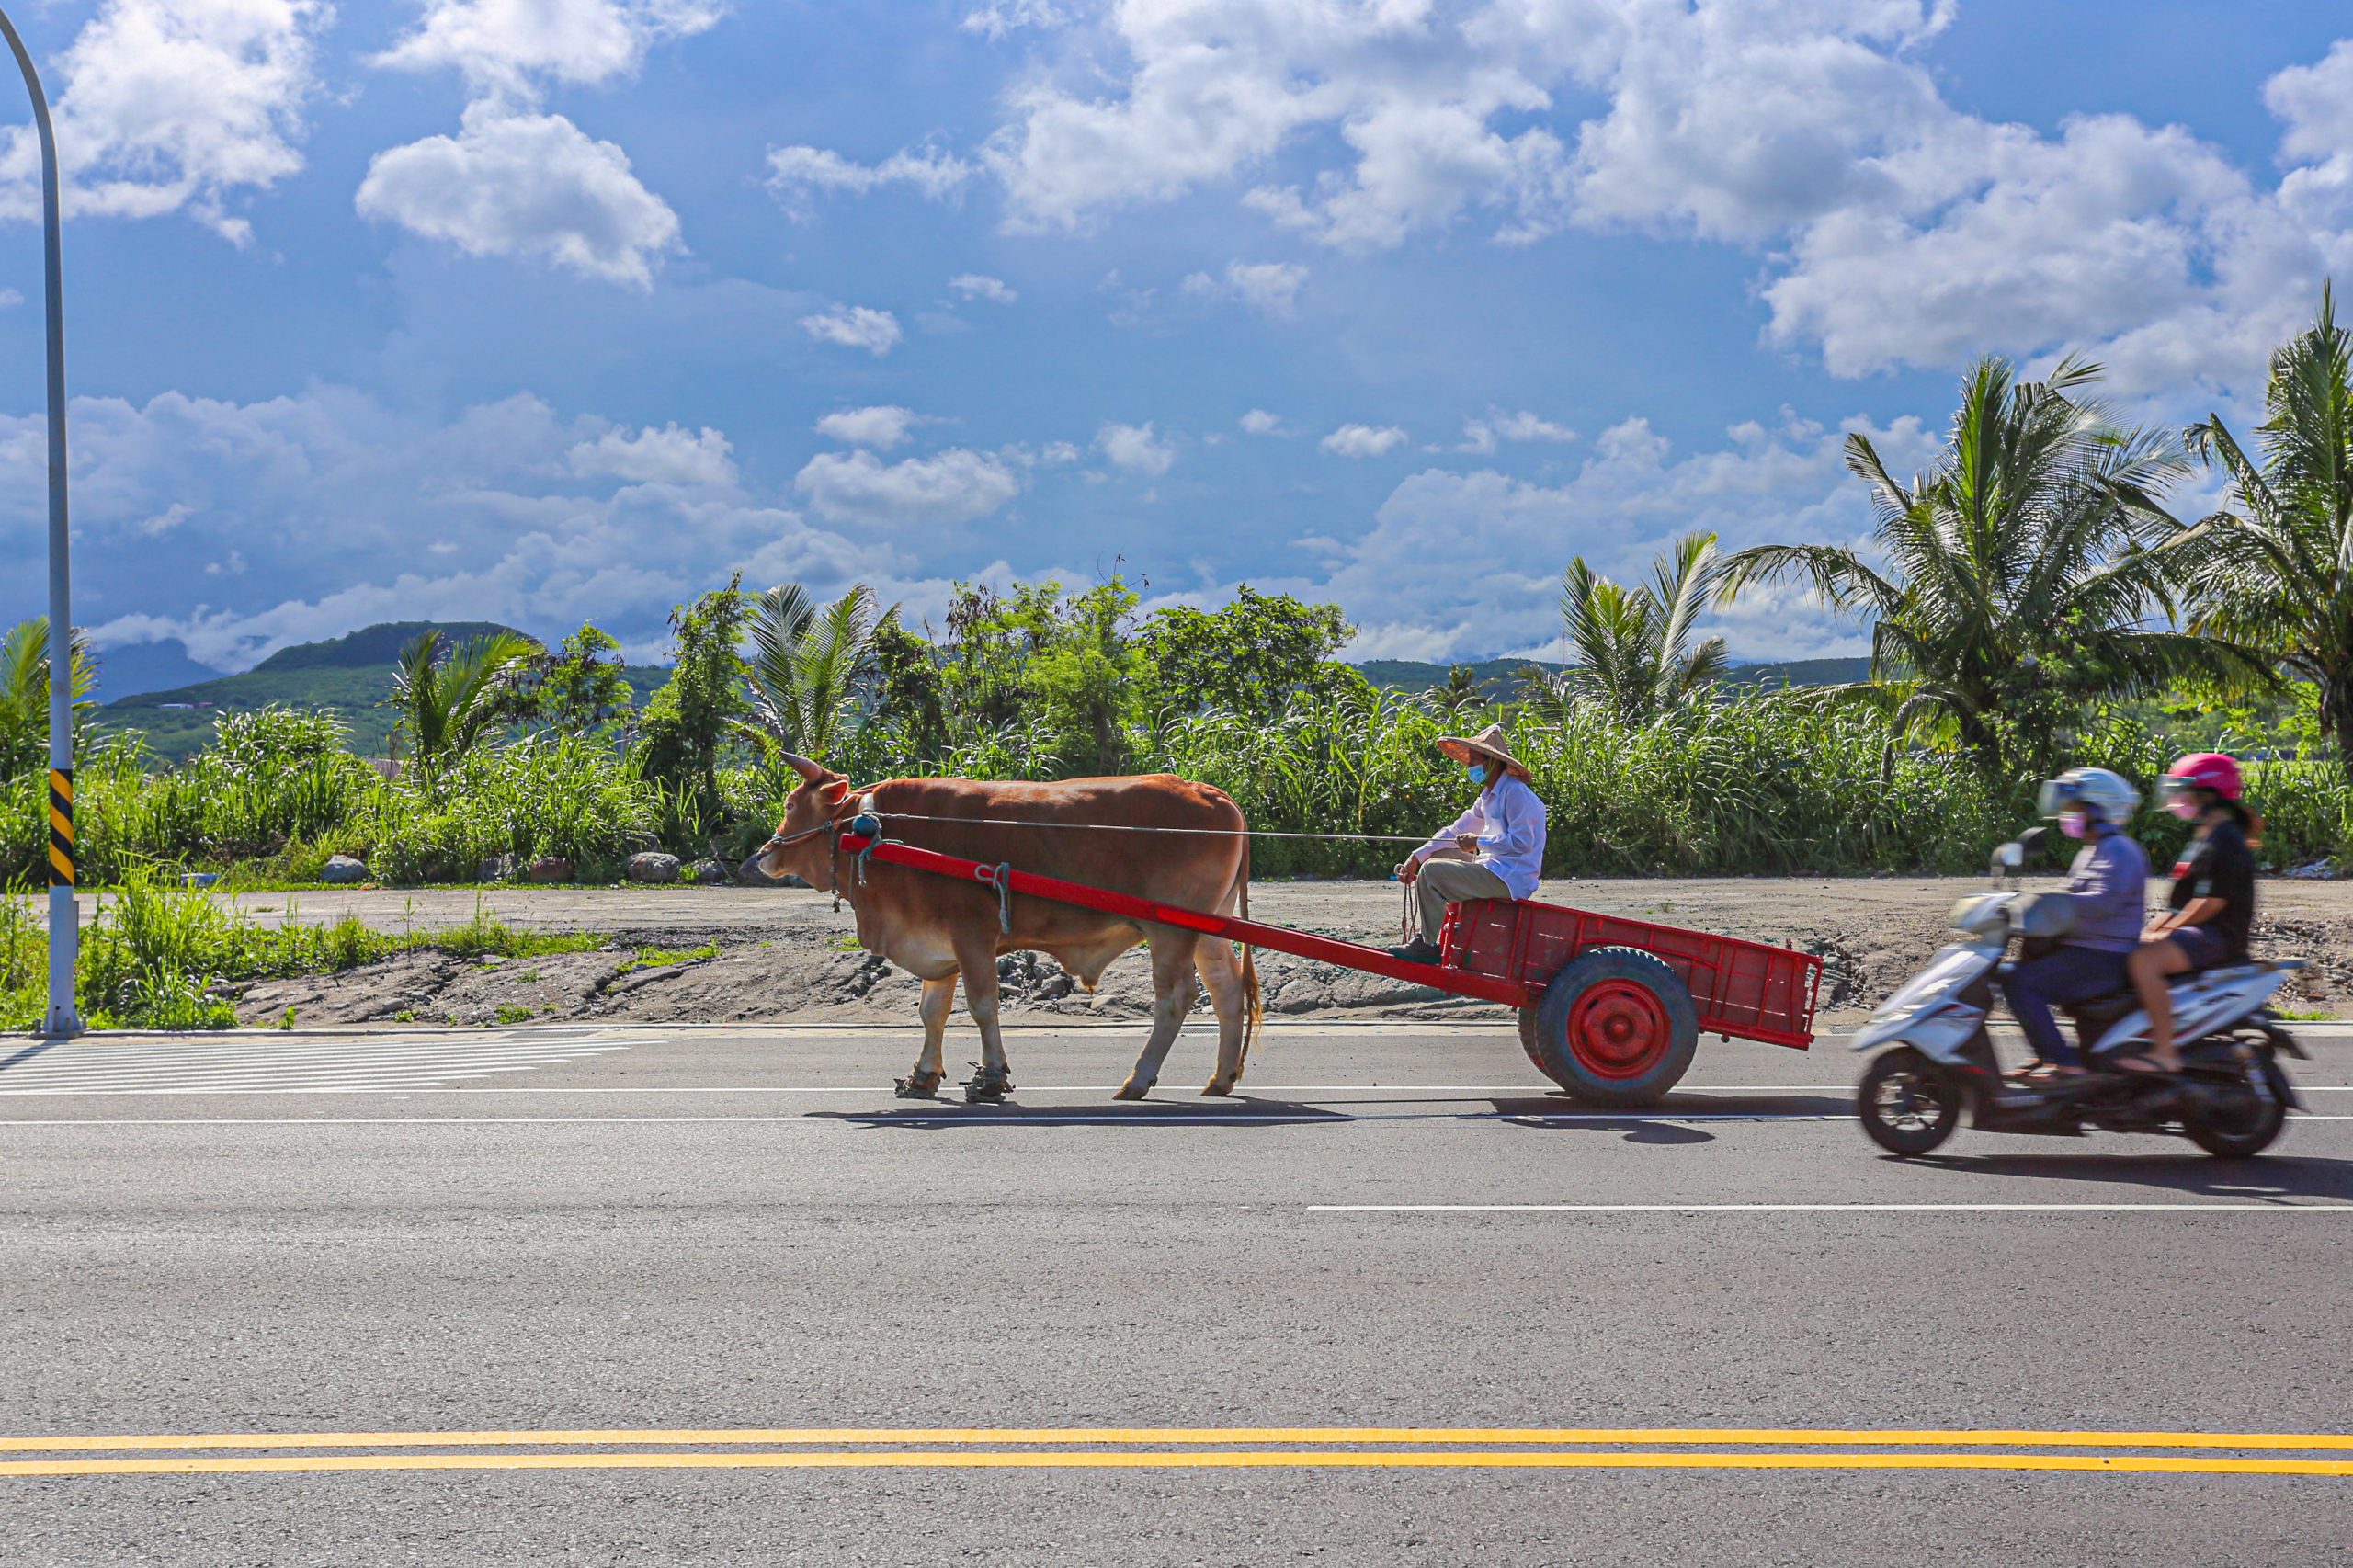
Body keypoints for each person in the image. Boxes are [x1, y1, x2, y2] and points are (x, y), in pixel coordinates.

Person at [1995, 767, 2149, 1081]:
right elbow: (2079, 901)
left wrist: (2048, 906)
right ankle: (2049, 1055)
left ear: (2098, 809)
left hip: (2104, 956)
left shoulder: (2120, 850)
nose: (2067, 814)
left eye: (2074, 807)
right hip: (2087, 949)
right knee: (2018, 970)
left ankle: (2062, 1062)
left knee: (2019, 980)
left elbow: (2103, 901)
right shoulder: (2093, 850)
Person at [2120, 752, 2260, 1073]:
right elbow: (2184, 901)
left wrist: (2167, 931)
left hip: (2217, 936)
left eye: (2185, 790)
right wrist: (2156, 927)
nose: (2178, 798)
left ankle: (2164, 1051)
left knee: (2144, 960)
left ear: (2210, 794)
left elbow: (2211, 902)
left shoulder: (2225, 837)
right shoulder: (2208, 834)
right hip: (2203, 930)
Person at [1388, 722, 1547, 965]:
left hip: (1511, 878)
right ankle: (1438, 929)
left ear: (1492, 761)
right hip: (1494, 867)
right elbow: (1457, 829)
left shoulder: (1515, 794)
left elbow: (1521, 843)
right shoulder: (1487, 797)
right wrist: (1417, 856)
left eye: (1474, 759)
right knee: (1434, 857)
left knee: (1432, 871)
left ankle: (1428, 942)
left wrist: (1478, 841)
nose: (1470, 765)